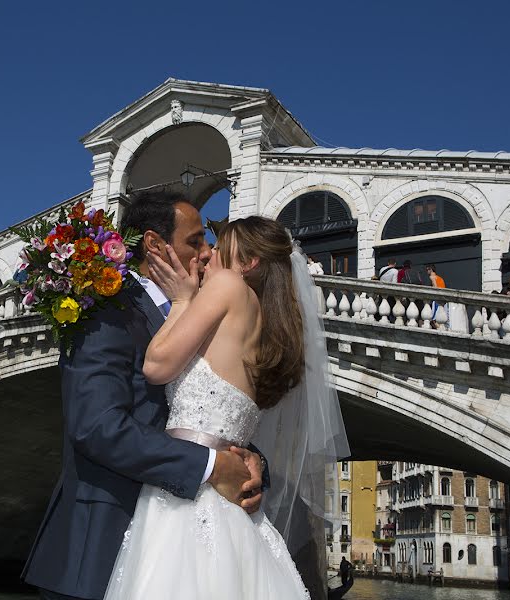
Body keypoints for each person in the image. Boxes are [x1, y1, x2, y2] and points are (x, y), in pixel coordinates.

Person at [21, 192, 267, 600]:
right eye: (195, 241)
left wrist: (250, 463)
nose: (208, 254)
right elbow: (98, 427)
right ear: (154, 245)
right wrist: (211, 466)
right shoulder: (103, 311)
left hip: (176, 547)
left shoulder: (197, 313)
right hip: (100, 551)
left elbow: (204, 410)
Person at [103, 216, 349, 600]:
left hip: (187, 496)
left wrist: (183, 300)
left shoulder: (228, 285)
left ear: (247, 262)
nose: (209, 254)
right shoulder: (268, 325)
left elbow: (156, 367)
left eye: (220, 246)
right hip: (230, 499)